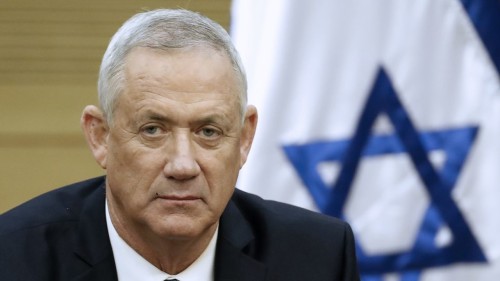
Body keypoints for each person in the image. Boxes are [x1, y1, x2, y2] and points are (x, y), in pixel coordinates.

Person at [0, 9, 360, 281]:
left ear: (245, 139)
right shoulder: (13, 259)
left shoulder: (318, 258)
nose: (183, 165)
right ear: (100, 137)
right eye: (153, 130)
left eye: (208, 132)